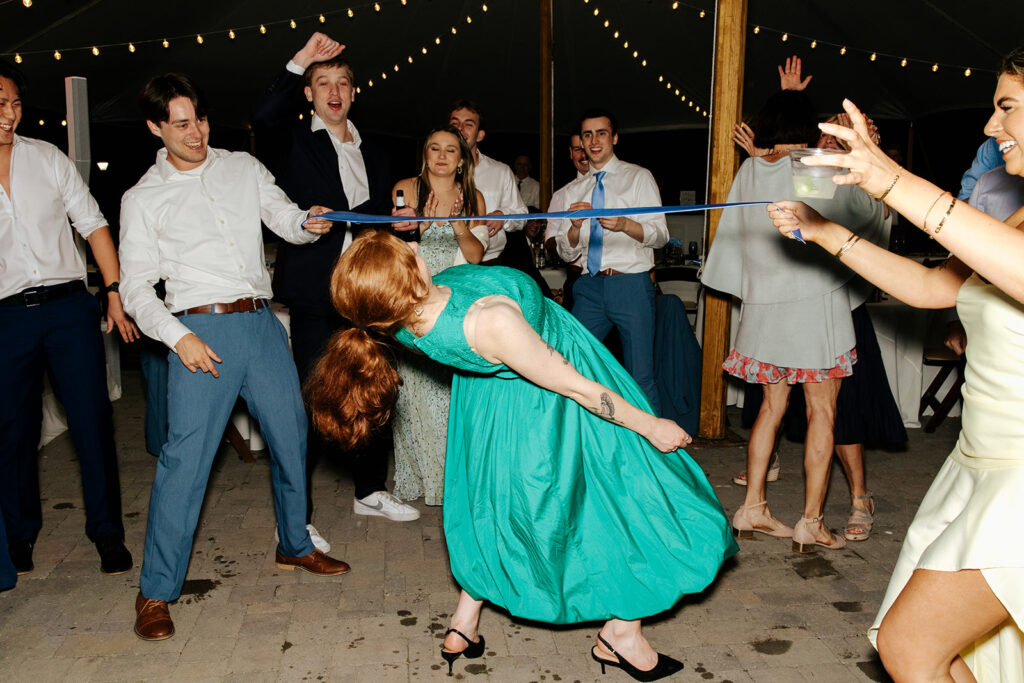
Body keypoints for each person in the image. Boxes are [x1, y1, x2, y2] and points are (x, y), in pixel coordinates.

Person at [306, 231, 735, 680]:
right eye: (406, 254)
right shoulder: (490, 321)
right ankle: (622, 635)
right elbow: (577, 388)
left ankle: (464, 622)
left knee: (491, 509)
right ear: (406, 288)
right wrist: (651, 426)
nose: (414, 247)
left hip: (489, 407)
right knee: (629, 494)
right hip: (548, 401)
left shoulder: (397, 317)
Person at [767, 48, 1024, 680]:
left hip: (1019, 477)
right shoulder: (1017, 213)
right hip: (979, 463)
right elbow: (933, 288)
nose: (990, 126)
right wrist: (826, 233)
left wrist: (887, 179)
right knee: (931, 650)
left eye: (1006, 107)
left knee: (912, 646)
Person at [119, 73, 350, 641]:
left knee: (292, 434)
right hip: (197, 331)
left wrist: (308, 222)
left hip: (260, 322)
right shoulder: (142, 198)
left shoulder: (242, 167)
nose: (195, 132)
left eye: (198, 119)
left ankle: (294, 543)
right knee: (185, 462)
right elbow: (135, 290)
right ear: (154, 128)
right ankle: (156, 591)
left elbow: (285, 217)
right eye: (180, 124)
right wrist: (178, 338)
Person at [702, 90, 888, 552]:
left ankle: (752, 507)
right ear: (809, 129)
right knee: (822, 411)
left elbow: (738, 235)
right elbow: (866, 213)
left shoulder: (749, 169)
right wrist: (861, 155)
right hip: (814, 307)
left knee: (771, 409)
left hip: (764, 308)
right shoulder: (811, 167)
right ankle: (811, 522)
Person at [252, 33, 418, 528]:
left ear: (354, 92)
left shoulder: (377, 151)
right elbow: (263, 118)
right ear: (308, 93)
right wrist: (300, 60)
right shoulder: (293, 141)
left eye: (342, 82)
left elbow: (377, 215)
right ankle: (298, 518)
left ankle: (370, 490)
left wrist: (398, 222)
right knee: (310, 396)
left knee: (376, 388)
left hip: (368, 292)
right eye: (323, 83)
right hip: (314, 292)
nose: (334, 91)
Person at [0, 59, 136, 579]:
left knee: (91, 421)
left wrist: (114, 292)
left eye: (15, 104)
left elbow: (94, 225)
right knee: (13, 431)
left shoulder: (47, 157)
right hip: (7, 318)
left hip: (67, 309)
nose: (10, 114)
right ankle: (18, 535)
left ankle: (107, 532)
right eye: (0, 104)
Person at [389, 126, 485, 505]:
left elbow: (476, 256)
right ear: (425, 154)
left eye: (451, 150)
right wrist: (423, 229)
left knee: (448, 392)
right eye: (434, 148)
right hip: (414, 294)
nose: (442, 156)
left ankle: (453, 481)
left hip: (455, 298)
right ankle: (423, 478)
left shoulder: (473, 197)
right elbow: (392, 250)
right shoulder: (405, 190)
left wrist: (458, 225)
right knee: (413, 392)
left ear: (462, 159)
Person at [554, 108, 669, 413]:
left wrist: (625, 224)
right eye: (587, 135)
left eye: (601, 133)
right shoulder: (574, 190)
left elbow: (661, 236)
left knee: (640, 377)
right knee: (569, 367)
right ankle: (583, 436)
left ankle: (652, 443)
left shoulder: (638, 177)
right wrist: (574, 228)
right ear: (581, 142)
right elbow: (566, 253)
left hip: (630, 285)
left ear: (614, 138)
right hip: (588, 287)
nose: (594, 141)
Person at [448, 100, 527, 264]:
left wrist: (503, 215)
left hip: (489, 262)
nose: (460, 129)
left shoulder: (500, 171)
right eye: (455, 124)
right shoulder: (435, 171)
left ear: (480, 135)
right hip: (444, 262)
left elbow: (522, 215)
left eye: (468, 124)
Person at [545, 134, 589, 311]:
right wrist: (567, 244)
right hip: (577, 278)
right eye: (578, 150)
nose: (583, 155)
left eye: (586, 149)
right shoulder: (562, 195)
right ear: (571, 153)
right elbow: (550, 240)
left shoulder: (615, 189)